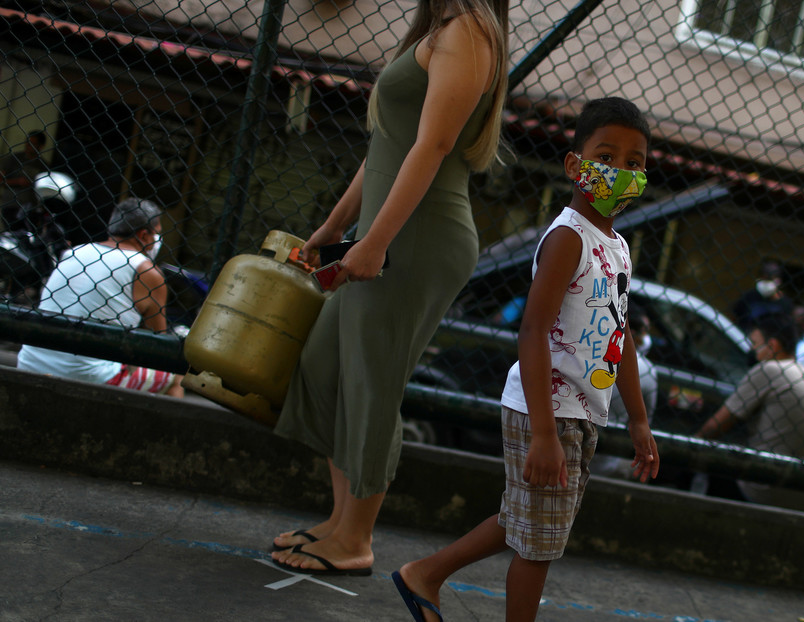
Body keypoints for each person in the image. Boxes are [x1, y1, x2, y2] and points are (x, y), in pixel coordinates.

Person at [391, 97, 660, 622]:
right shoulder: (567, 238)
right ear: (575, 165)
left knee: (529, 521)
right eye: (606, 156)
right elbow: (533, 330)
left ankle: (423, 575)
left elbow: (620, 338)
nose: (620, 172)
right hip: (548, 410)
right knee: (538, 546)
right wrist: (542, 432)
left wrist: (640, 419)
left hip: (581, 413)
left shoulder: (620, 247)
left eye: (634, 163)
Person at [268, 0, 511, 576]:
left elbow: (433, 146)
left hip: (418, 238)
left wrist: (375, 242)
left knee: (373, 381)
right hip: (386, 233)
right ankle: (338, 521)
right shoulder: (440, 28)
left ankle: (356, 539)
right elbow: (389, 147)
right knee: (328, 366)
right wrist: (334, 228)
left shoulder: (470, 29)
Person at [17, 198, 183, 397]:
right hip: (90, 376)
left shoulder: (75, 252)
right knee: (175, 378)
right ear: (144, 235)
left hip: (30, 362)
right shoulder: (146, 270)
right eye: (157, 233)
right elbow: (158, 345)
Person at [695, 313, 804, 512]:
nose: (752, 350)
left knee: (708, 471)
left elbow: (714, 427)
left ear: (772, 346)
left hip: (766, 492)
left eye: (755, 343)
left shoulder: (770, 369)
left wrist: (685, 451)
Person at [591, 303, 659, 479]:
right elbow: (647, 416)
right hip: (612, 461)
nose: (646, 338)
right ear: (633, 333)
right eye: (644, 331)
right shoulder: (646, 369)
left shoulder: (590, 349)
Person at [0, 130, 48, 231]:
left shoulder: (43, 166)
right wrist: (17, 182)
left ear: (41, 146)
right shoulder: (14, 159)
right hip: (11, 205)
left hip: (31, 208)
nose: (28, 146)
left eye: (33, 143)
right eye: (27, 143)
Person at [732, 259, 792, 331]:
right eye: (763, 279)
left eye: (769, 279)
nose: (765, 282)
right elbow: (735, 316)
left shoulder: (785, 304)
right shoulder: (749, 296)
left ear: (778, 281)